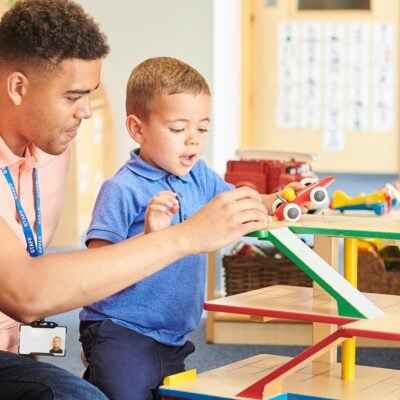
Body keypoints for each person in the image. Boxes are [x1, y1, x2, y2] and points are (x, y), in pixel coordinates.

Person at [0, 1, 271, 399]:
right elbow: (27, 293)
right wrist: (185, 237)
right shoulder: (123, 186)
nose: (86, 112)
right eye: (73, 96)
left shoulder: (51, 149)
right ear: (19, 87)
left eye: (88, 95)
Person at [79, 57, 310, 400]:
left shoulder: (199, 175)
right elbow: (96, 266)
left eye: (202, 129)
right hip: (121, 329)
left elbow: (238, 200)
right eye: (177, 129)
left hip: (173, 334)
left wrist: (279, 199)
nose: (193, 141)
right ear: (138, 128)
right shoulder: (122, 188)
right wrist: (148, 237)